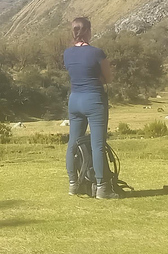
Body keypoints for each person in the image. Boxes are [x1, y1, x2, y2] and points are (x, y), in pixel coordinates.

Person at [64, 17, 117, 199]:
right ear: (87, 31)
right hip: (93, 99)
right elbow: (108, 78)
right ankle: (102, 187)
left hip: (74, 99)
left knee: (73, 142)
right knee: (97, 144)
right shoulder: (97, 53)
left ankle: (73, 183)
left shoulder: (67, 54)